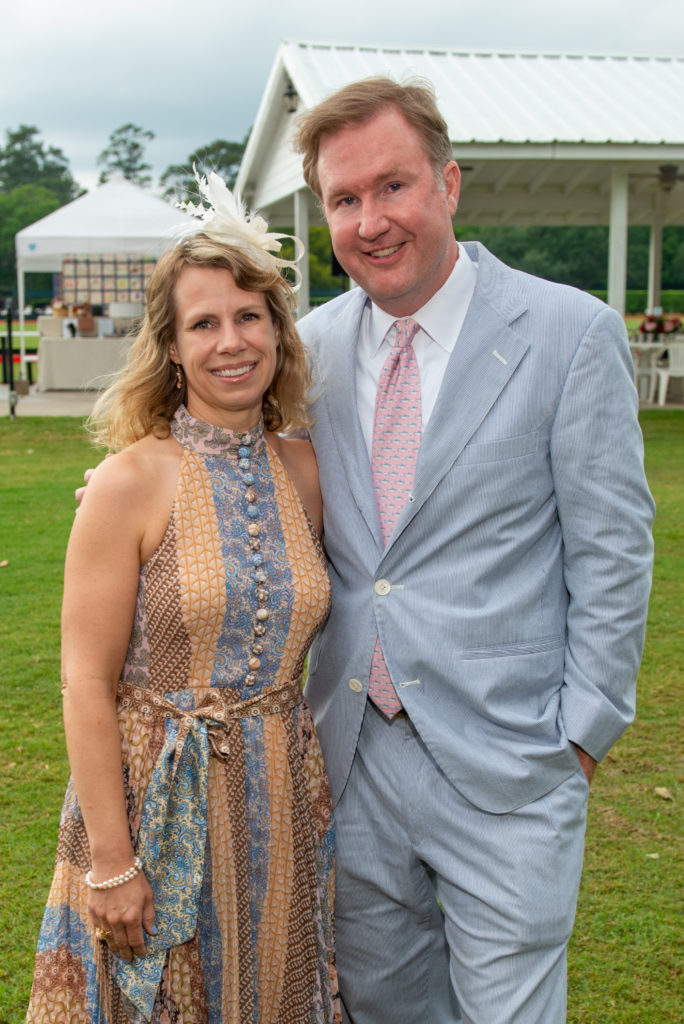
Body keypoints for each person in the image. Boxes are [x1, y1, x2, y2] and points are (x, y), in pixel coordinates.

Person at [289, 77, 655, 1023]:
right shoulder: (309, 351)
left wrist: (583, 732)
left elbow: (613, 550)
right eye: (345, 198)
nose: (372, 220)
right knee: (382, 1008)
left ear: (449, 184)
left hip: (515, 757)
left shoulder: (571, 335)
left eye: (394, 186)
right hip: (354, 757)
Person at [26, 184, 340, 1024]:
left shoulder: (307, 472)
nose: (230, 342)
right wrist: (111, 859)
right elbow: (84, 682)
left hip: (280, 796)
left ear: (278, 331)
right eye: (204, 324)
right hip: (153, 799)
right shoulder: (129, 480)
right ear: (171, 347)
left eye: (249, 316)